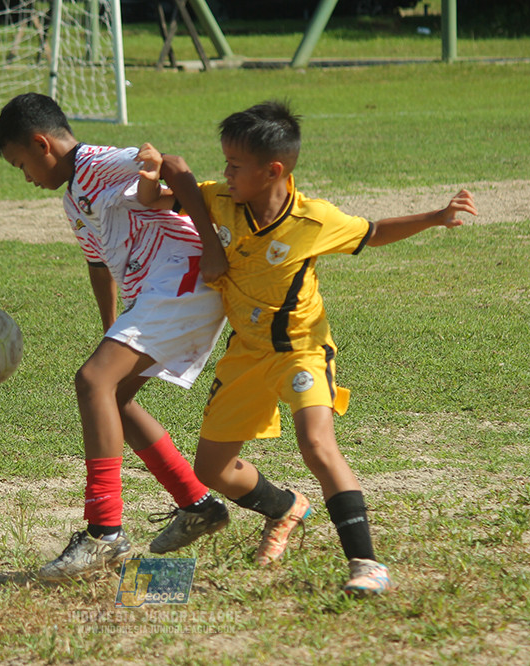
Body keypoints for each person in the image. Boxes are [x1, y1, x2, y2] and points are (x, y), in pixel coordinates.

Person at [136, 101, 477, 596]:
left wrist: (438, 216)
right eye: (224, 162)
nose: (225, 173)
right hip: (246, 354)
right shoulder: (218, 200)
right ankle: (285, 507)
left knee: (317, 444)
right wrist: (150, 170)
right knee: (210, 470)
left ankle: (365, 563)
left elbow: (373, 232)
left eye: (234, 164)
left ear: (272, 170)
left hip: (301, 349)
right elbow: (156, 198)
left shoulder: (313, 220)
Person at [0, 92, 231, 580]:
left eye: (22, 164)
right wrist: (110, 330)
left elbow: (175, 166)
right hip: (160, 292)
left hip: (184, 277)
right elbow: (98, 265)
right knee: (112, 396)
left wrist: (211, 248)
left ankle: (104, 533)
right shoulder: (71, 198)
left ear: (43, 145)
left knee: (91, 383)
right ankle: (199, 505)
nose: (26, 178)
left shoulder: (96, 162)